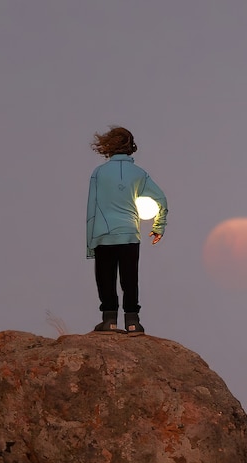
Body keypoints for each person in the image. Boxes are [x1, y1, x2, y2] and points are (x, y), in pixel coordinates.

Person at [86, 126, 168, 333]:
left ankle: (109, 320)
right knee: (130, 278)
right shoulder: (139, 174)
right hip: (130, 233)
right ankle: (133, 322)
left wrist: (90, 244)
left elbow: (91, 209)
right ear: (131, 146)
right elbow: (161, 200)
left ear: (108, 146)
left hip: (103, 234)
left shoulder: (99, 173)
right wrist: (158, 227)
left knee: (105, 278)